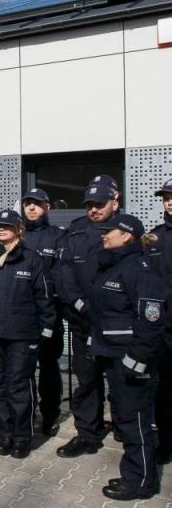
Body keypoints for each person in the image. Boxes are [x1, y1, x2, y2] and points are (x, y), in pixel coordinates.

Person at [0, 209, 55, 458]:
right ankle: (5, 433)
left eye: (7, 226)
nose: (1, 230)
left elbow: (44, 298)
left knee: (18, 386)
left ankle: (22, 437)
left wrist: (45, 330)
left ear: (19, 229)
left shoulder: (32, 259)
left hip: (22, 335)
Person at [90, 214, 165, 500]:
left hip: (130, 360)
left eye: (111, 231)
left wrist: (138, 359)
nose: (104, 235)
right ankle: (133, 472)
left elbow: (151, 320)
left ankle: (142, 482)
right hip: (113, 356)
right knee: (124, 418)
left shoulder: (140, 269)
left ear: (127, 236)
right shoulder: (112, 265)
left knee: (136, 421)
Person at [55, 179, 119, 457]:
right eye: (90, 205)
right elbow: (64, 274)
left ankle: (127, 432)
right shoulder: (75, 231)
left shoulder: (126, 230)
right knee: (87, 381)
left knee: (121, 382)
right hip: (83, 322)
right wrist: (81, 305)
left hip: (117, 325)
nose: (94, 210)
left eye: (100, 204)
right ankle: (87, 434)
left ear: (115, 202)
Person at [20, 187, 65, 435]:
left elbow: (60, 275)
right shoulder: (18, 234)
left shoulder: (58, 236)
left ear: (47, 207)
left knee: (48, 367)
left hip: (48, 315)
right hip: (21, 316)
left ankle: (49, 415)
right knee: (22, 368)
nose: (32, 208)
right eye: (28, 203)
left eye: (37, 204)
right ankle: (25, 413)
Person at [150, 178, 172, 464]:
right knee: (165, 389)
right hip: (164, 328)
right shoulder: (155, 238)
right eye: (166, 197)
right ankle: (166, 443)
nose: (169, 202)